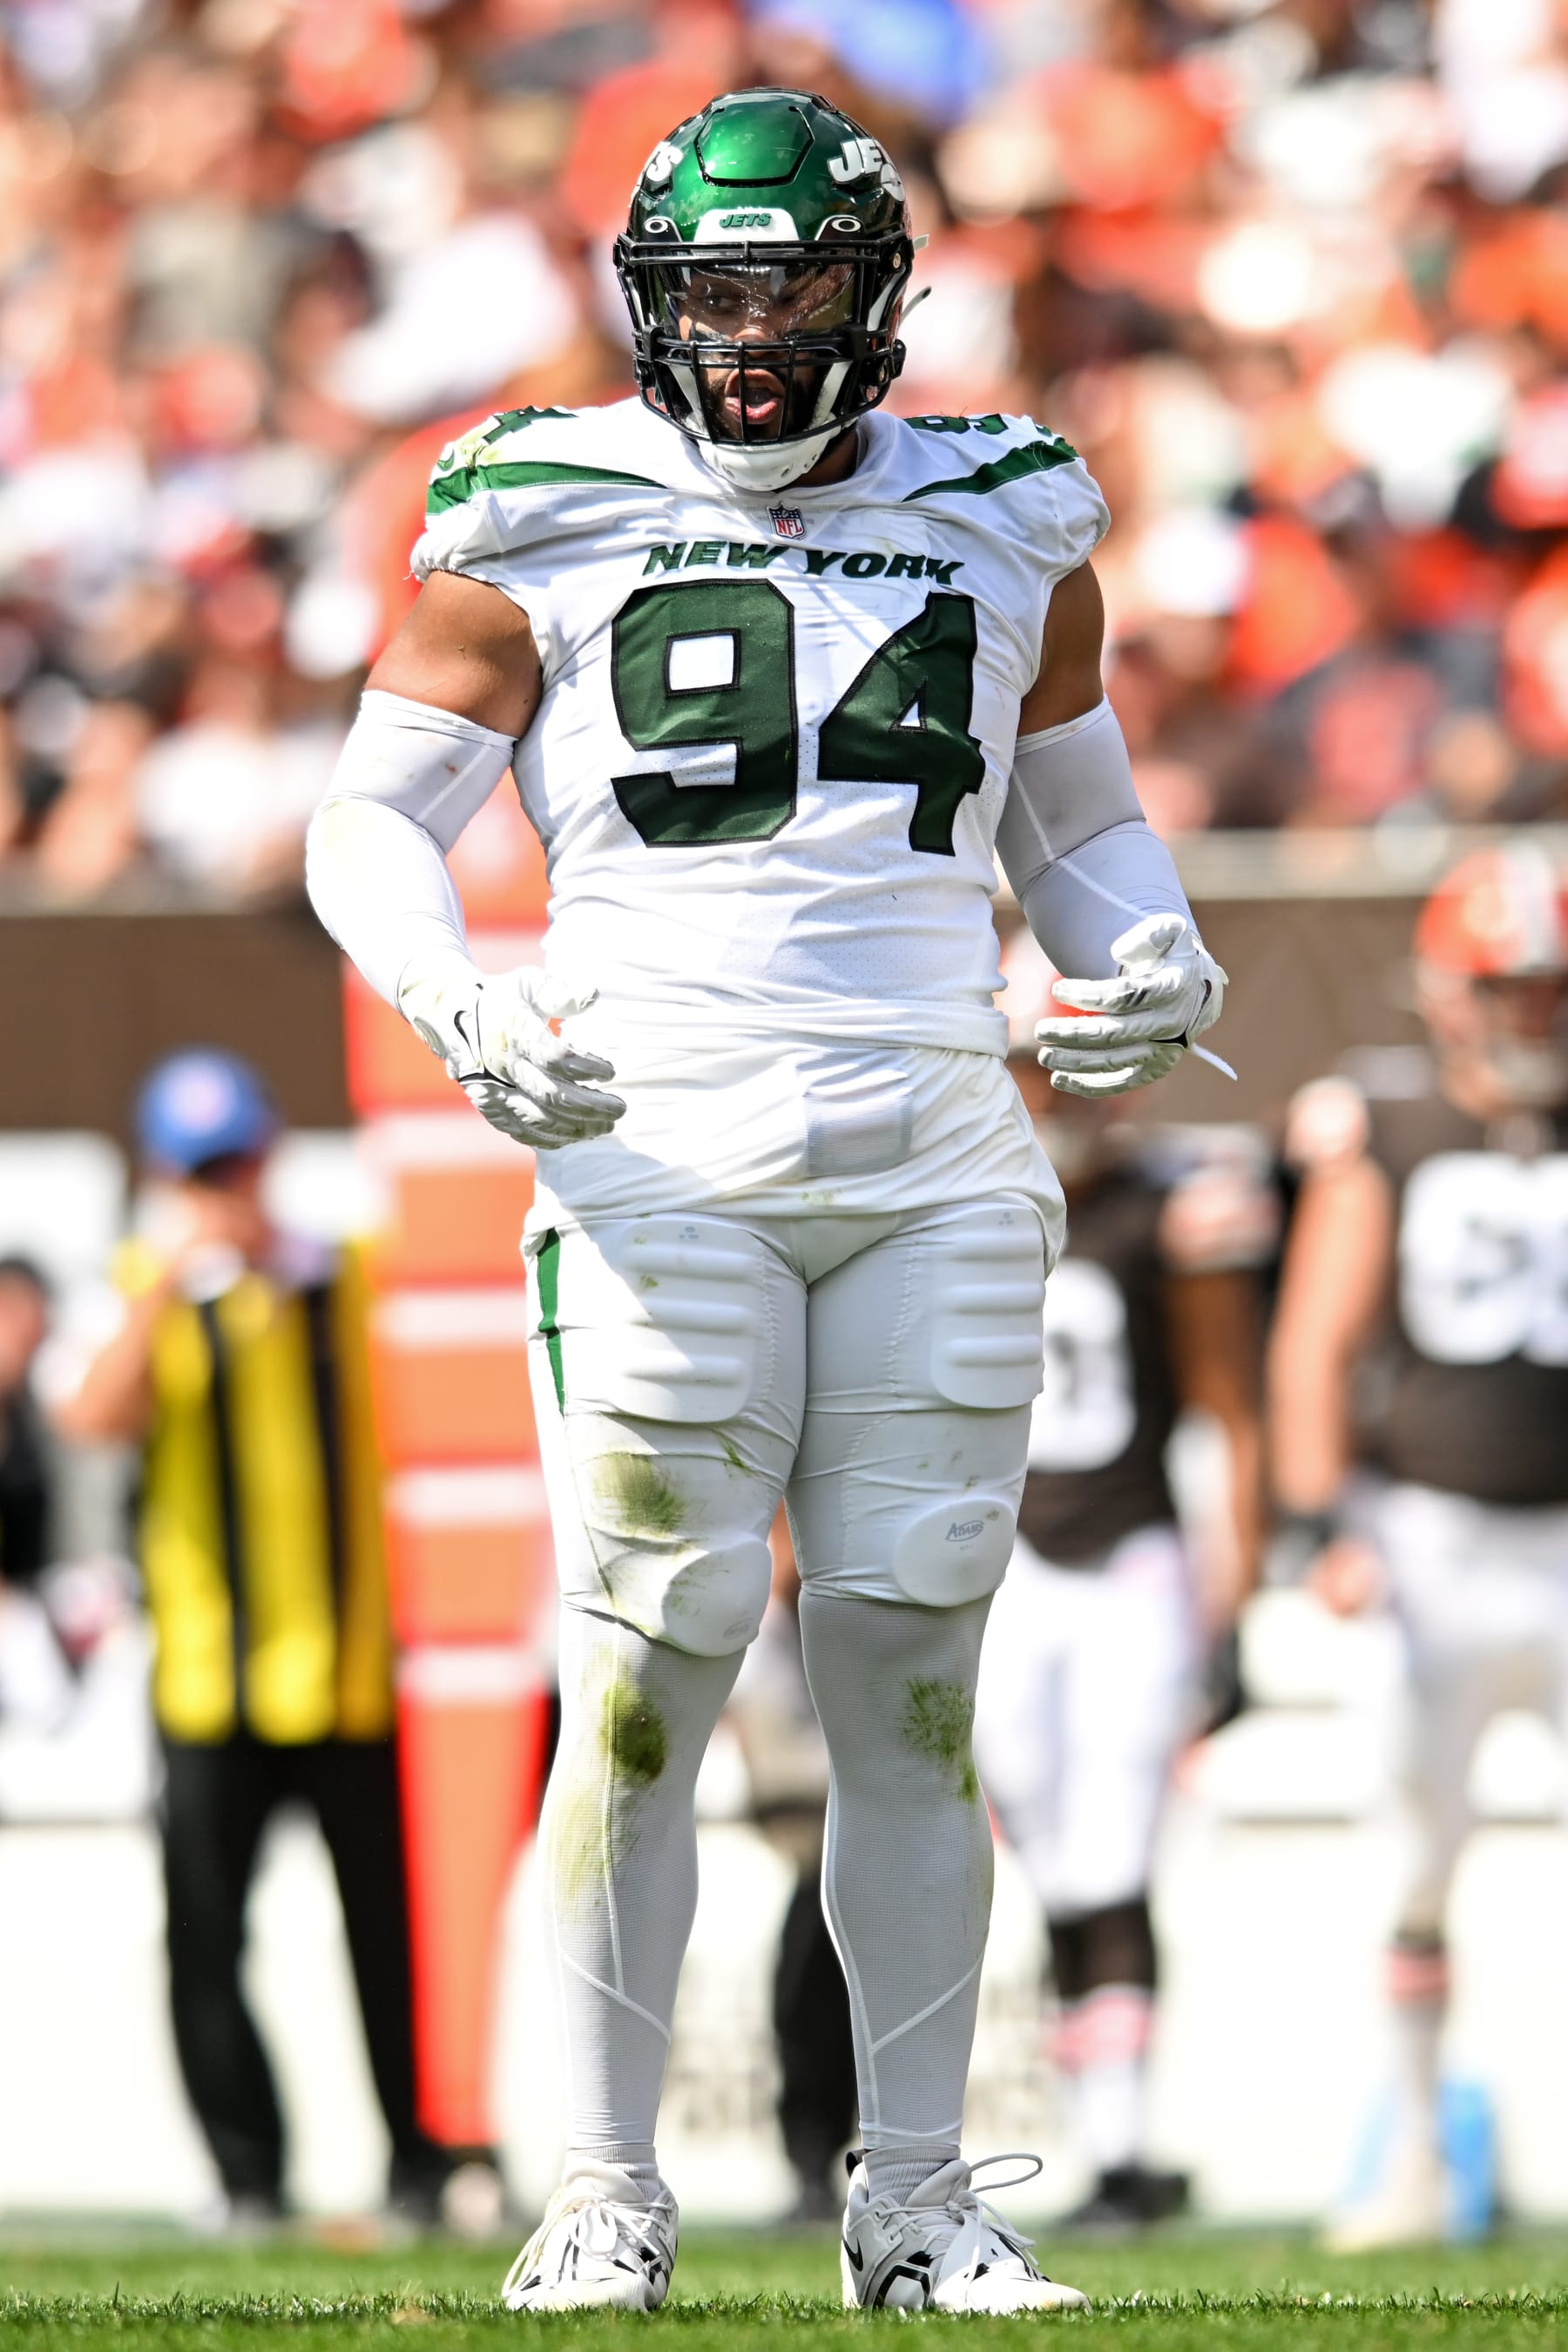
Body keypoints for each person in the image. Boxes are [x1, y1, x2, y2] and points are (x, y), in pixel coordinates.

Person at [305, 87, 1227, 2314]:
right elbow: (366, 825)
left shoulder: (1008, 512)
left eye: (784, 285)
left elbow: (1079, 823)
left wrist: (1152, 941)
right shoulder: (536, 504)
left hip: (933, 1146)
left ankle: (914, 2197)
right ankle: (605, 2185)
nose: (740, 334)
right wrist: (456, 997)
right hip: (651, 1138)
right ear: (646, 302)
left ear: (875, 296)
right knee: (643, 1670)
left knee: (914, 1681)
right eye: (704, 291)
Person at [52, 1049, 454, 2233]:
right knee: (206, 1942)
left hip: (354, 1674)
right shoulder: (139, 1286)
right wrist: (169, 1285)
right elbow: (90, 1417)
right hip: (207, 1683)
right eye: (202, 1169)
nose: (228, 1183)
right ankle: (247, 2178)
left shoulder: (351, 1277)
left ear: (274, 1151)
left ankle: (424, 2167)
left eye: (239, 1158)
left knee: (395, 1941)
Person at [1268, 843, 1568, 2249]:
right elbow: (1316, 1337)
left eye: (1551, 992)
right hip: (1434, 1534)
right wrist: (1323, 1516)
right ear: (1451, 993)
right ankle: (1406, 2154)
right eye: (1512, 990)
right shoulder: (1386, 1122)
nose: (1534, 1018)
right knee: (1415, 1861)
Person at [974, 991, 1267, 2233]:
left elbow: (1226, 1407)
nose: (1065, 1096)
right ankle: (1108, 2137)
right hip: (1003, 1565)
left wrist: (1235, 1595)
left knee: (1111, 1855)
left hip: (1134, 1555)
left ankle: (1122, 2146)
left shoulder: (1168, 1208)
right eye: (1045, 1069)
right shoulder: (957, 1206)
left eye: (1082, 1070)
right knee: (1045, 1849)